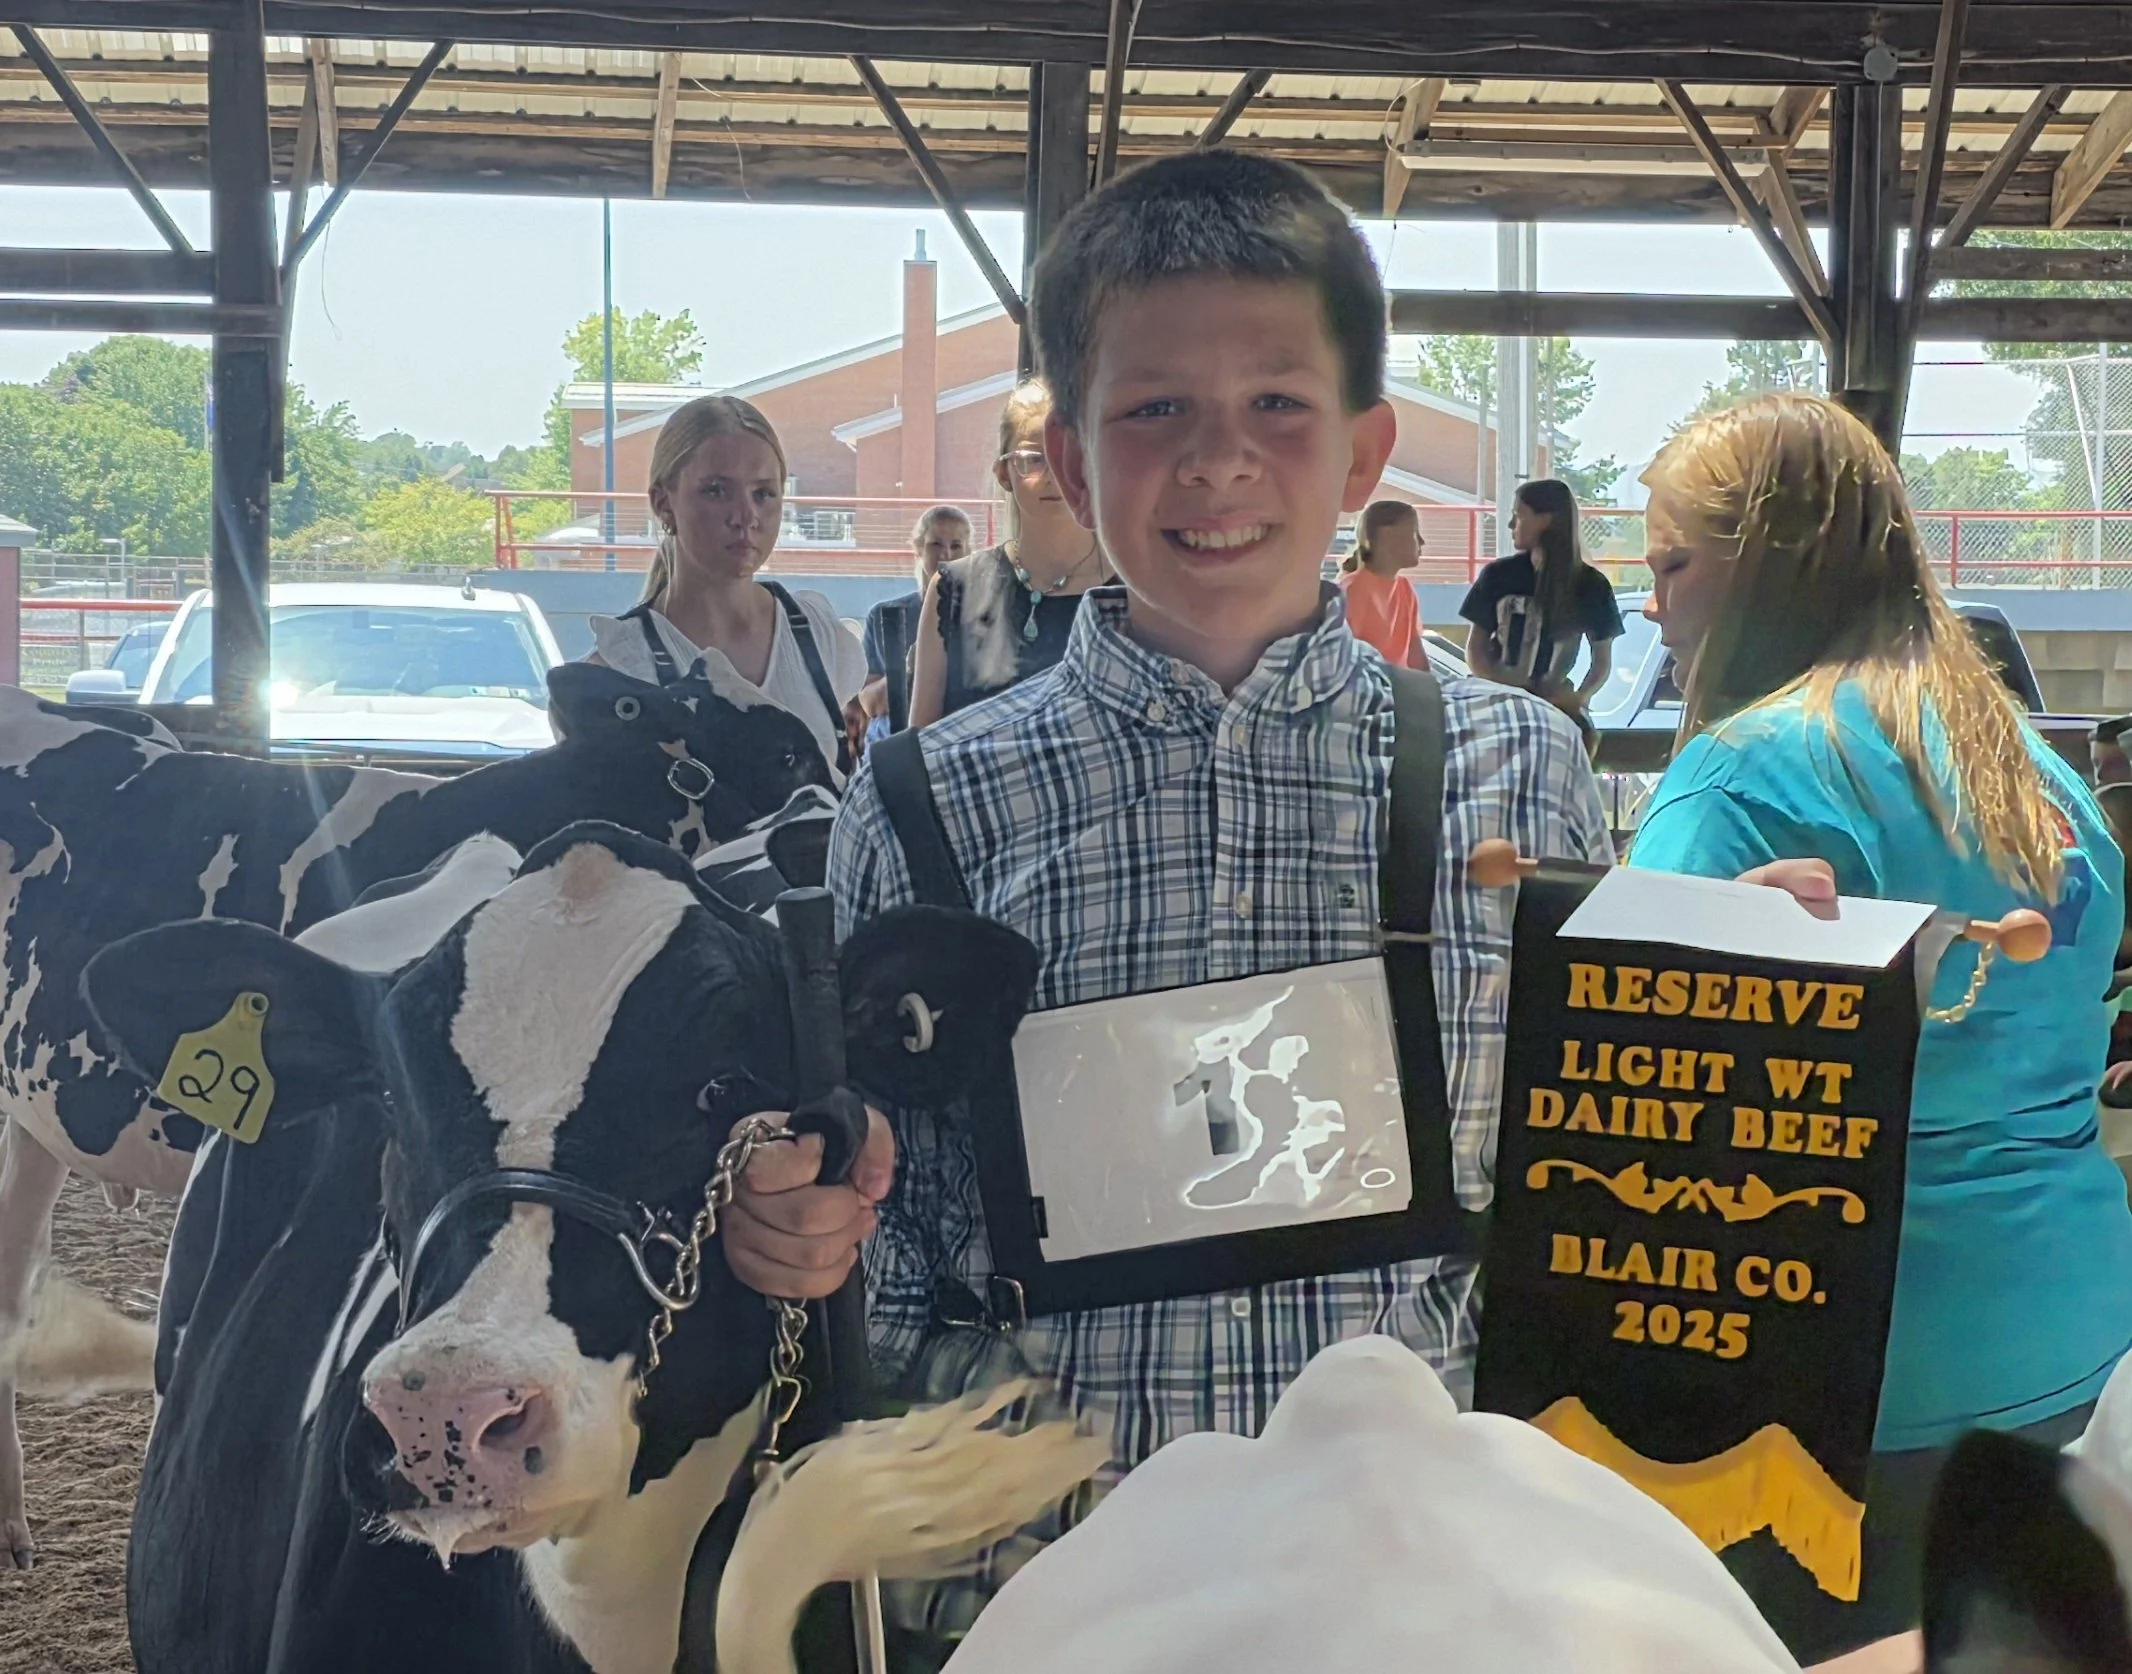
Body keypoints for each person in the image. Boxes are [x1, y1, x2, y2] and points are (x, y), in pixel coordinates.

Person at [719, 149, 1611, 1644]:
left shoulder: (1518, 771)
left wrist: (1761, 976)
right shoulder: (923, 805)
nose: (1216, 461)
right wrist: (796, 1223)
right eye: (1152, 412)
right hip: (1035, 1601)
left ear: (1365, 451)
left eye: (1277, 403)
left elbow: (1584, 1169)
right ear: (1068, 464)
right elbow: (884, 1213)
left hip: (1422, 1602)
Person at [1628, 390, 2132, 1657]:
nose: (1649, 606)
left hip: (1834, 1380)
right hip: (2069, 1334)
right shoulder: (2039, 773)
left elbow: (1629, 1100)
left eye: (1670, 567)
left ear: (1760, 568)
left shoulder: (1737, 777)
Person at [584, 394, 865, 778]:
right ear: (663, 503)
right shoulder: (621, 668)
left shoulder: (821, 639)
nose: (745, 516)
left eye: (763, 493)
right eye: (716, 490)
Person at [906, 381, 1109, 728]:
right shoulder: (953, 589)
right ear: (1003, 473)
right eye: (1034, 459)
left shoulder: (1138, 593)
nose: (1056, 474)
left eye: (1073, 455)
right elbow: (921, 742)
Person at [1459, 478, 1624, 741]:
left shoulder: (1592, 585)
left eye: (1519, 515)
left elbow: (1601, 662)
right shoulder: (1497, 575)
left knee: (1586, 737)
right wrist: (1497, 684)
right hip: (1496, 694)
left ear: (1545, 520)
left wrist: (1579, 698)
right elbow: (1475, 649)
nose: (1511, 524)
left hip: (1555, 700)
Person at [858, 506, 972, 748]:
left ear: (969, 551)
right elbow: (869, 703)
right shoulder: (882, 616)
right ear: (918, 548)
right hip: (896, 744)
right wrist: (908, 672)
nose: (946, 555)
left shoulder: (986, 615)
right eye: (936, 545)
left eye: (956, 546)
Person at [1338, 499, 1427, 669]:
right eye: (1415, 532)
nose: (1422, 542)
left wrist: (1429, 684)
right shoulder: (1352, 590)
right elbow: (1344, 659)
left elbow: (1416, 655)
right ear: (1388, 536)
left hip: (1399, 682)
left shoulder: (1405, 589)